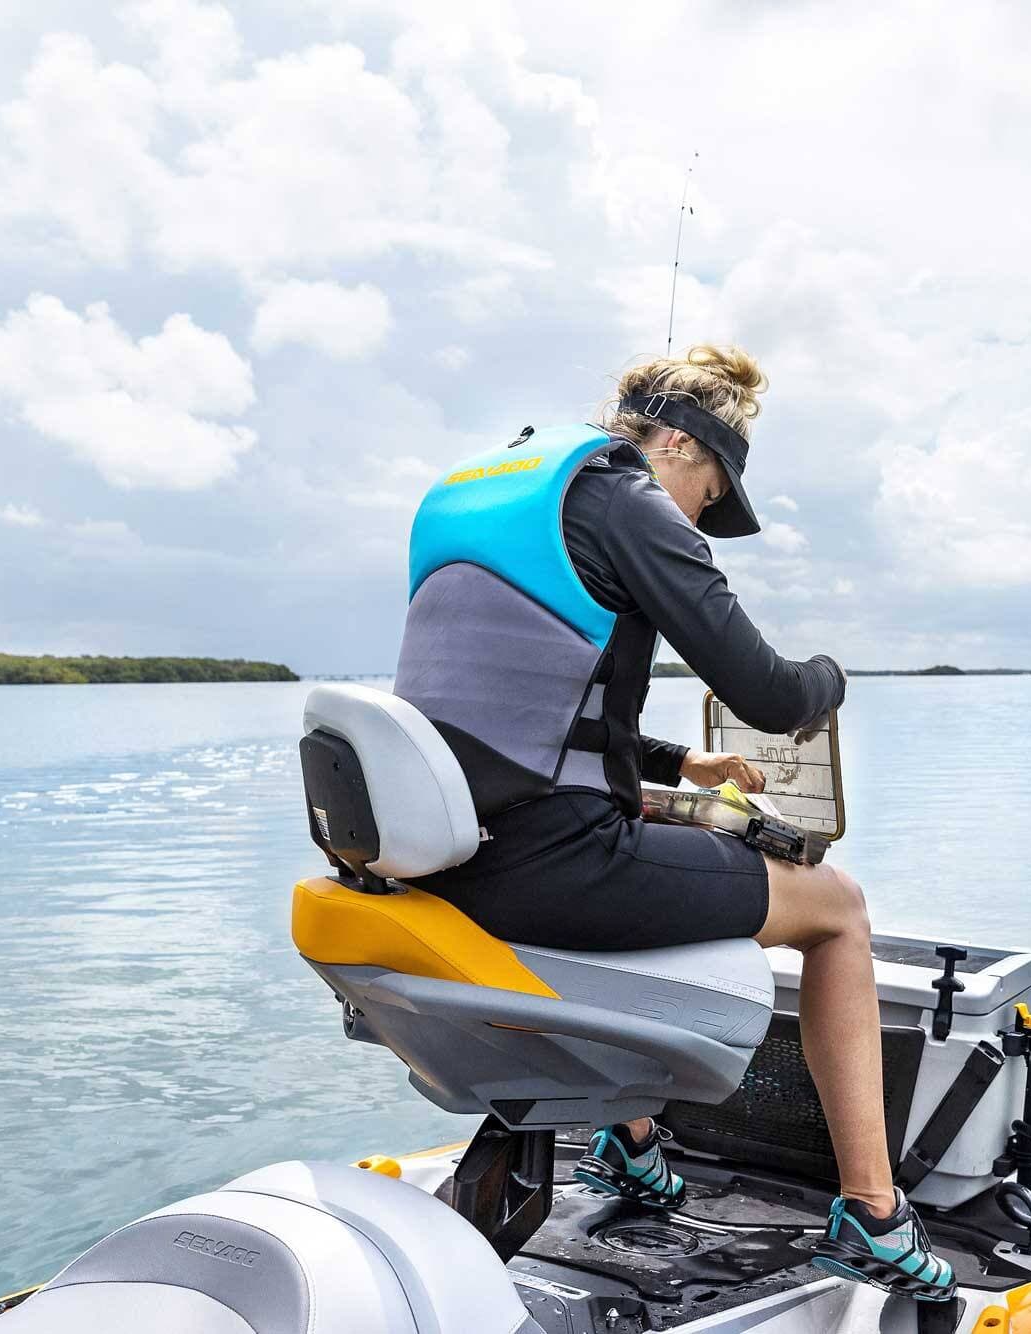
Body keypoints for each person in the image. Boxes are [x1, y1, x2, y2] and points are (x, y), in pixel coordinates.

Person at [392, 344, 953, 1301]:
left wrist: (671, 764)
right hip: (541, 864)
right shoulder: (631, 504)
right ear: (688, 448)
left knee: (679, 853)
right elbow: (771, 695)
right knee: (837, 909)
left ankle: (633, 1138)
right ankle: (874, 1211)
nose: (701, 515)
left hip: (441, 853)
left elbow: (512, 714)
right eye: (712, 492)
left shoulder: (498, 501)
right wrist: (831, 678)